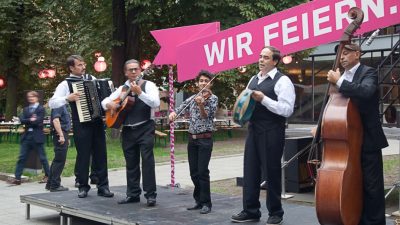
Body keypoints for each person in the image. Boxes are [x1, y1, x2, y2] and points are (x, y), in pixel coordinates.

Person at [231, 46, 295, 225]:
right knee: (250, 171)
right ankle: (250, 210)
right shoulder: (253, 78)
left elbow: (287, 110)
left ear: (275, 61)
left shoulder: (283, 81)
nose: (261, 60)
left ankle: (276, 212)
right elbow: (245, 103)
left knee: (271, 172)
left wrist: (264, 99)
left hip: (273, 131)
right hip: (254, 130)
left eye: (265, 57)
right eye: (260, 57)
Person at [326, 43, 388, 225]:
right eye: (339, 54)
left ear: (357, 54)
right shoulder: (339, 77)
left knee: (371, 186)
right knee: (351, 186)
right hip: (345, 140)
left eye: (346, 53)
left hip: (367, 139)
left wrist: (338, 81)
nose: (342, 57)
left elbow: (366, 92)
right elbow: (332, 106)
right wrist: (322, 125)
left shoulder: (368, 72)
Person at [49, 55, 114, 198]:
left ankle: (103, 187)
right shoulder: (66, 84)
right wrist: (67, 98)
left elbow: (105, 96)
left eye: (83, 64)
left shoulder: (92, 79)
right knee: (83, 156)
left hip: (97, 122)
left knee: (101, 155)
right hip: (81, 124)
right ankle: (83, 187)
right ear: (71, 67)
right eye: (79, 65)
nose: (83, 67)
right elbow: (52, 103)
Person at [102, 59, 159, 207]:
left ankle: (150, 195)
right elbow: (104, 102)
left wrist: (140, 94)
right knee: (131, 163)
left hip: (145, 127)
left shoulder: (149, 85)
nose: (134, 72)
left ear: (140, 71)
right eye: (130, 70)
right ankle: (133, 194)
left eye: (136, 69)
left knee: (147, 161)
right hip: (127, 130)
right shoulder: (122, 88)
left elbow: (156, 103)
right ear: (125, 72)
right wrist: (110, 104)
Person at [169, 70, 218, 215]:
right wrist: (173, 113)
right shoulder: (193, 98)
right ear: (197, 83)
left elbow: (206, 116)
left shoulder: (213, 99)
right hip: (192, 139)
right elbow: (179, 108)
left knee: (203, 172)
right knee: (194, 172)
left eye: (206, 80)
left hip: (205, 139)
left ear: (211, 83)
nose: (203, 83)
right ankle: (198, 200)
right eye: (201, 80)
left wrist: (202, 105)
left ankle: (206, 203)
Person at [8, 91, 50, 185]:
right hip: (27, 136)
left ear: (37, 98)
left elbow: (38, 121)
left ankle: (48, 176)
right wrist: (30, 119)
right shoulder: (26, 109)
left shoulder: (41, 109)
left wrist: (29, 121)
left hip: (37, 136)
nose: (30, 98)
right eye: (29, 96)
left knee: (42, 158)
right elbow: (22, 120)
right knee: (22, 157)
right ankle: (17, 178)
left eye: (32, 96)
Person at [45, 105, 70, 192]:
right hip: (60, 134)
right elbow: (56, 120)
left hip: (62, 133)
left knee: (57, 160)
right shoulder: (58, 105)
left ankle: (50, 184)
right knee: (60, 161)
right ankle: (55, 185)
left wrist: (66, 137)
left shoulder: (62, 105)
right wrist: (62, 135)